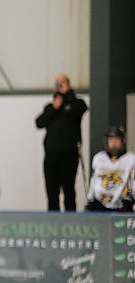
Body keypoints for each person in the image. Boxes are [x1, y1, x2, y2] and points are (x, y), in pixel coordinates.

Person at [35, 73, 88, 211]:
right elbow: (39, 122)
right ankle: (54, 220)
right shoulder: (50, 107)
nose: (59, 86)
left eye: (62, 83)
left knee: (69, 191)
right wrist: (54, 107)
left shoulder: (77, 104)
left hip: (69, 156)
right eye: (57, 83)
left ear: (68, 85)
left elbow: (80, 109)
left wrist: (67, 95)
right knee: (52, 193)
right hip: (51, 157)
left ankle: (70, 220)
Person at [85, 127, 134, 212]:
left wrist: (131, 200)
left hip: (121, 204)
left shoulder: (130, 159)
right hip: (99, 203)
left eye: (117, 140)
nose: (113, 144)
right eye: (111, 140)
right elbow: (94, 180)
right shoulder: (99, 158)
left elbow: (133, 182)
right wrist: (90, 199)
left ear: (123, 142)